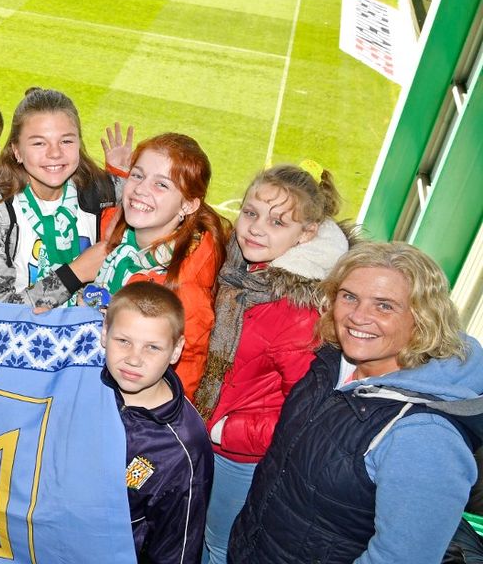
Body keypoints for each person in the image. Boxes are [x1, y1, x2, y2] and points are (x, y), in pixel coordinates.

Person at [230, 242, 482, 564]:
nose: (358, 317)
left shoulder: (425, 437)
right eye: (349, 296)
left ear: (422, 319)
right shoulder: (334, 361)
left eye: (385, 306)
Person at [191, 164, 350, 564]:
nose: (256, 229)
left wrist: (232, 431)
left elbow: (308, 410)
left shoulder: (298, 311)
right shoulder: (241, 271)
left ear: (307, 234)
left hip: (238, 456)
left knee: (219, 545)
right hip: (206, 435)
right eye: (250, 213)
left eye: (278, 222)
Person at [90, 134, 227, 398]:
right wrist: (117, 175)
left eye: (161, 185)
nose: (140, 190)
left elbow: (185, 371)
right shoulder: (113, 231)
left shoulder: (184, 285)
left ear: (188, 204)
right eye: (137, 176)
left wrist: (157, 422)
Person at [0, 88, 123, 307]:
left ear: (79, 144)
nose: (55, 153)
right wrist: (75, 274)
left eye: (66, 141)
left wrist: (127, 190)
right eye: (39, 143)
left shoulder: (98, 189)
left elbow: (159, 204)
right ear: (17, 151)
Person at [103, 281, 213, 564]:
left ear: (176, 351)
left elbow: (178, 549)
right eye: (123, 341)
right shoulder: (84, 385)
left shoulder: (184, 447)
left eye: (152, 347)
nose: (134, 359)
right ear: (104, 334)